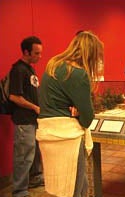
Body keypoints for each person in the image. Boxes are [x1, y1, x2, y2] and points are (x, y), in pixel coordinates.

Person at [36, 31, 103, 197]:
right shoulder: (78, 74)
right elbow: (87, 118)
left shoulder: (53, 65)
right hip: (67, 139)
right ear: (91, 54)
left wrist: (76, 108)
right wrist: (79, 112)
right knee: (73, 188)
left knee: (65, 186)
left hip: (47, 134)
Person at [8, 36, 43, 197]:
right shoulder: (18, 70)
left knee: (34, 153)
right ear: (26, 52)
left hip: (33, 120)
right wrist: (35, 107)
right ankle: (20, 190)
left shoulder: (30, 68)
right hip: (24, 121)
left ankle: (35, 178)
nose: (39, 56)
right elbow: (14, 97)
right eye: (36, 53)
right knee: (23, 156)